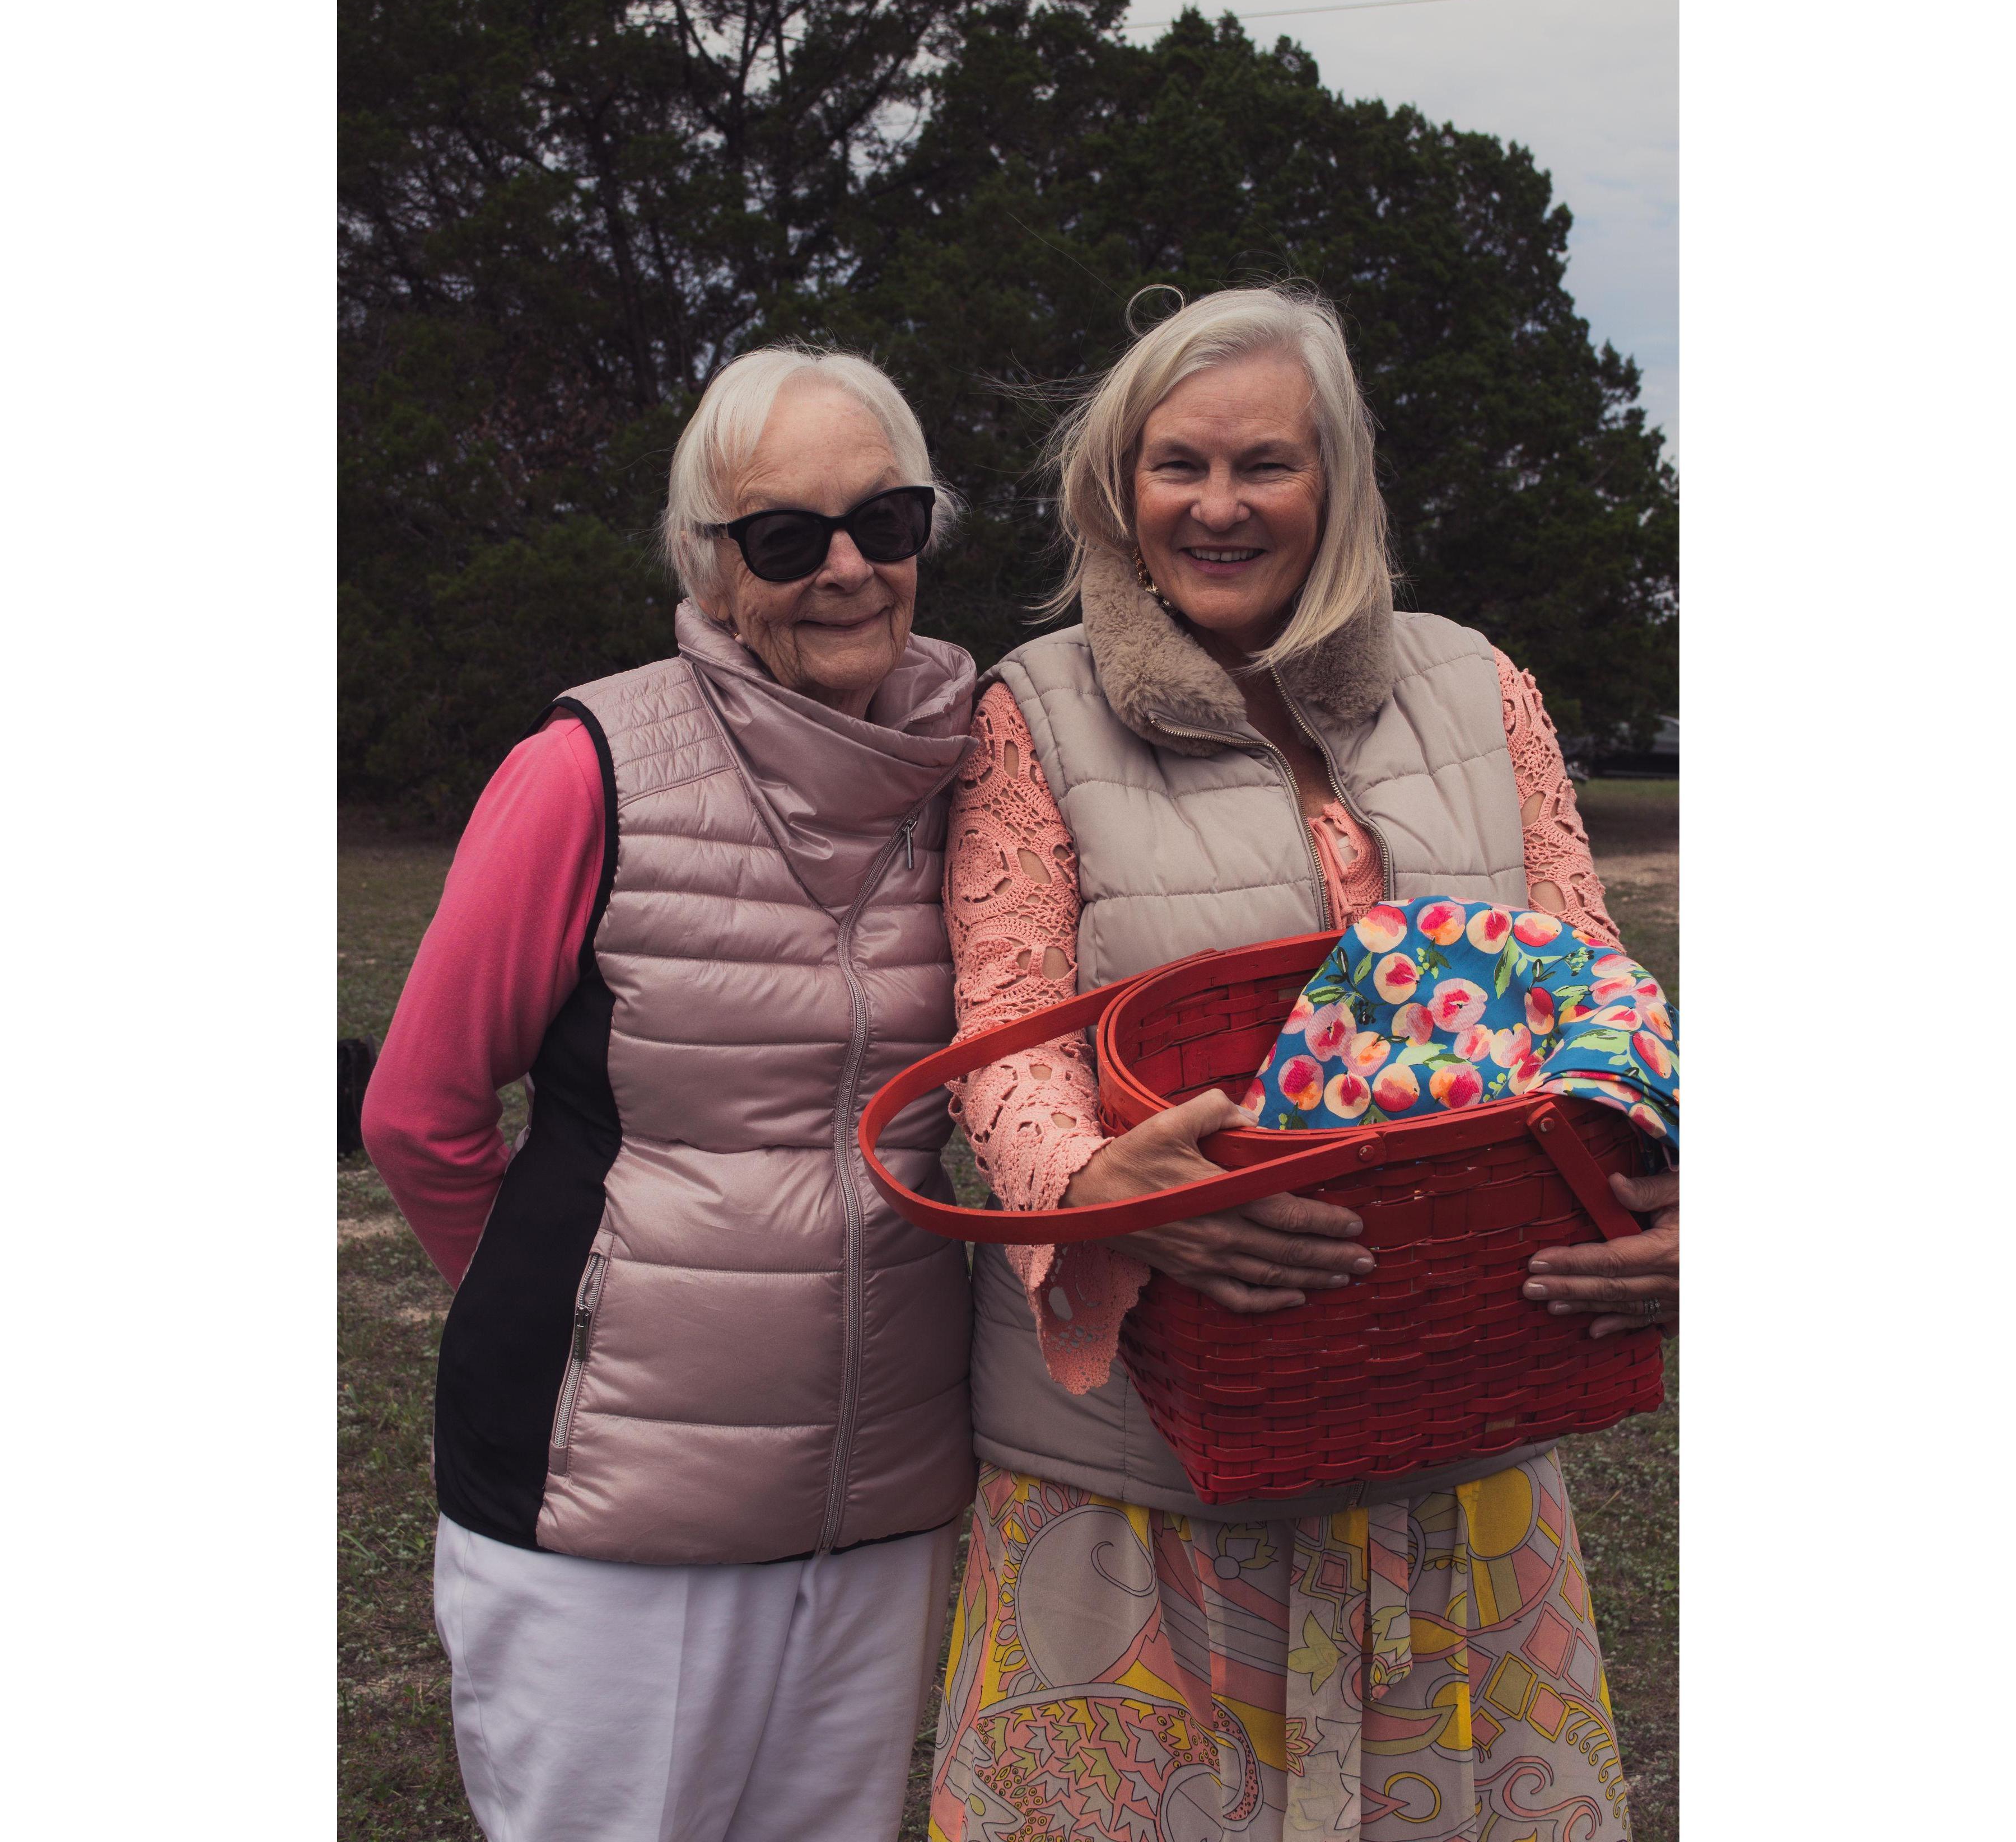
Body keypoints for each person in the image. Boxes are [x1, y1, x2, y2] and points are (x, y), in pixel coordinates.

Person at [929, 287, 1679, 1841]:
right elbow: (999, 1032)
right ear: (1117, 487)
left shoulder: (1480, 685)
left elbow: (1598, 980)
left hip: (1454, 1424)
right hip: (1149, 1457)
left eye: (1263, 464)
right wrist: (1098, 1193)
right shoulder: (1040, 711)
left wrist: (1681, 1184)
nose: (1215, 507)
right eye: (1175, 465)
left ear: (1335, 481)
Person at [361, 345, 979, 1842]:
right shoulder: (589, 767)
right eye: (785, 537)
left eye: (882, 524)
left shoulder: (979, 765)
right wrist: (579, 1311)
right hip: (606, 1520)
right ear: (708, 563)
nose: (844, 570)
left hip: (879, 1504)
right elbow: (422, 1111)